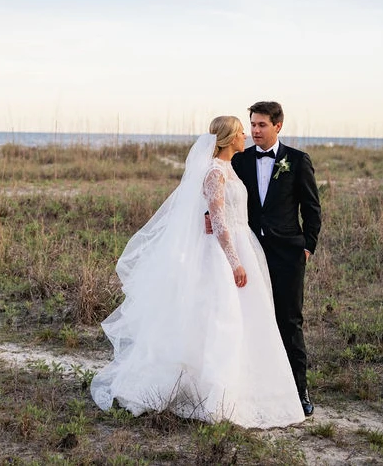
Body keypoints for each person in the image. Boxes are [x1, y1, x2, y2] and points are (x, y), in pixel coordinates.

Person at [90, 116, 304, 429]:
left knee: (245, 319)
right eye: (242, 132)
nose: (247, 135)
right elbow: (218, 221)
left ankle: (241, 388)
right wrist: (234, 262)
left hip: (240, 243)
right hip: (220, 255)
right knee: (219, 317)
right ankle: (212, 393)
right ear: (231, 138)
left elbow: (220, 212)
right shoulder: (215, 171)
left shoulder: (230, 168)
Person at [230, 101, 321, 416]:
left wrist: (307, 246)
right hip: (250, 251)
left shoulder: (297, 161)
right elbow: (223, 195)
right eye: (252, 125)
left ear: (278, 126)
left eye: (262, 125)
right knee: (251, 319)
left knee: (289, 321)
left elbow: (311, 208)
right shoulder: (239, 161)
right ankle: (253, 388)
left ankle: (299, 391)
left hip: (287, 255)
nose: (255, 131)